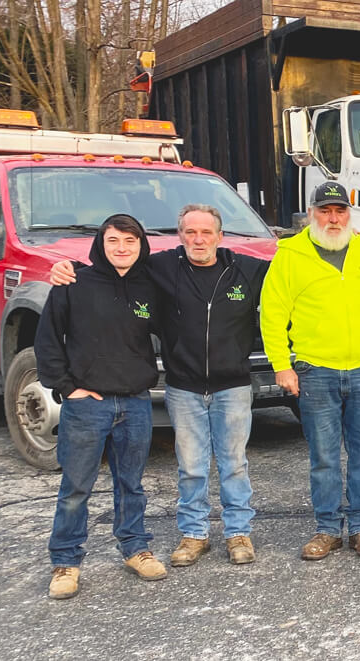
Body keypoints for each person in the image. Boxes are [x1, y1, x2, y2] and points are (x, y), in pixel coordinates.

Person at [52, 204, 269, 568]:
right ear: (180, 235)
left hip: (232, 386)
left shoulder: (244, 269)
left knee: (234, 464)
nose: (198, 239)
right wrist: (68, 267)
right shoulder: (162, 267)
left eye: (206, 232)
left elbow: (293, 268)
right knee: (191, 466)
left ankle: (238, 533)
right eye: (190, 232)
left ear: (219, 235)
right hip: (183, 387)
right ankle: (194, 534)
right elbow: (108, 268)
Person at [260, 181, 360, 561]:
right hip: (315, 370)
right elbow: (273, 314)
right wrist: (281, 365)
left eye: (340, 211)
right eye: (326, 211)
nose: (333, 218)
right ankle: (326, 529)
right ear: (312, 214)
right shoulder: (289, 255)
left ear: (349, 214)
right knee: (323, 455)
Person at [38, 213, 168, 599]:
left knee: (132, 484)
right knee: (76, 486)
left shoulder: (151, 287)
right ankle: (66, 562)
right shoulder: (74, 281)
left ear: (141, 244)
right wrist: (66, 387)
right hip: (87, 405)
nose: (122, 248)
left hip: (136, 402)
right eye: (114, 241)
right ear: (102, 243)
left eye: (130, 241)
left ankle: (135, 548)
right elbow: (48, 338)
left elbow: (179, 329)